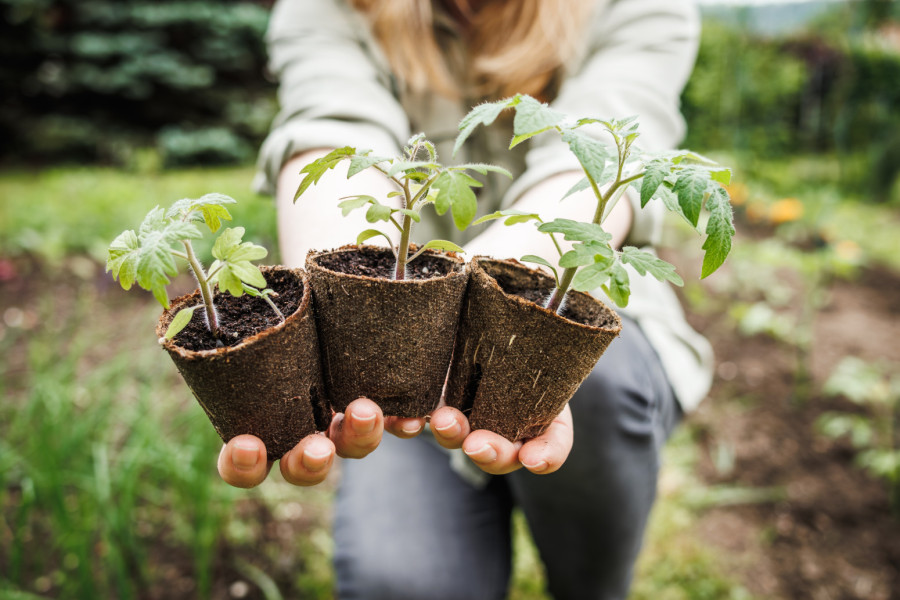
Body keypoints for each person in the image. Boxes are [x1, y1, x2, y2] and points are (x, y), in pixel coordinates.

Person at [217, 0, 714, 598]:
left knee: (599, 381)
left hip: (554, 308)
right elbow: (332, 127)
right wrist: (348, 315)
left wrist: (499, 315)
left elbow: (600, 156)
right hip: (401, 357)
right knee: (398, 584)